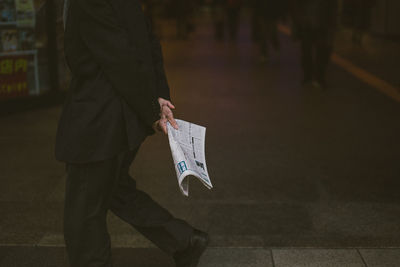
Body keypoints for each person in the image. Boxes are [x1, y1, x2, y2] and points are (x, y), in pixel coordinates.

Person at [56, 0, 209, 266]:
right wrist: (158, 96)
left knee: (83, 216)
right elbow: (146, 40)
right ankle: (184, 241)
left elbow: (120, 56)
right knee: (115, 189)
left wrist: (152, 110)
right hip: (119, 118)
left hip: (100, 119)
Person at [290, 0, 338, 88]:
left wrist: (332, 25)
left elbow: (333, 9)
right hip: (307, 25)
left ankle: (318, 77)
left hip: (322, 25)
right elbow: (296, 7)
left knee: (322, 52)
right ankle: (309, 76)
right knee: (307, 52)